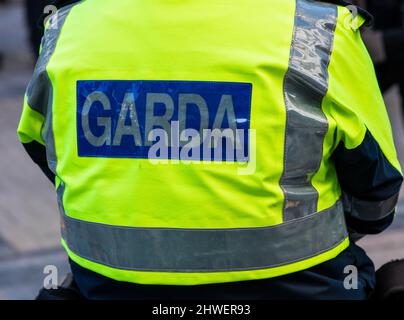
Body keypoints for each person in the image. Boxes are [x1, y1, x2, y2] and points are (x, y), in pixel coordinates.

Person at [17, 0, 403, 300]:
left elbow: (41, 145)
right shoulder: (318, 31)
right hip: (303, 287)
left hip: (109, 289)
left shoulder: (66, 28)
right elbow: (376, 197)